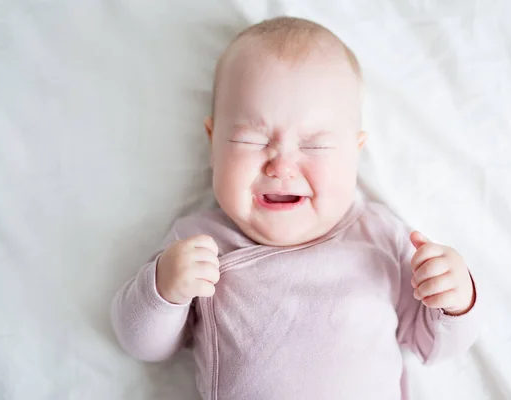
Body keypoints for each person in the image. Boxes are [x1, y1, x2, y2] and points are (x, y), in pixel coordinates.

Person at [111, 16, 480, 400]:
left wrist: (455, 300)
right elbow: (142, 345)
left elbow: (432, 346)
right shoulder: (199, 245)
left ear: (355, 152)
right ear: (213, 141)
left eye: (315, 145)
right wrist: (163, 290)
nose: (282, 165)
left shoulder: (381, 237)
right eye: (252, 139)